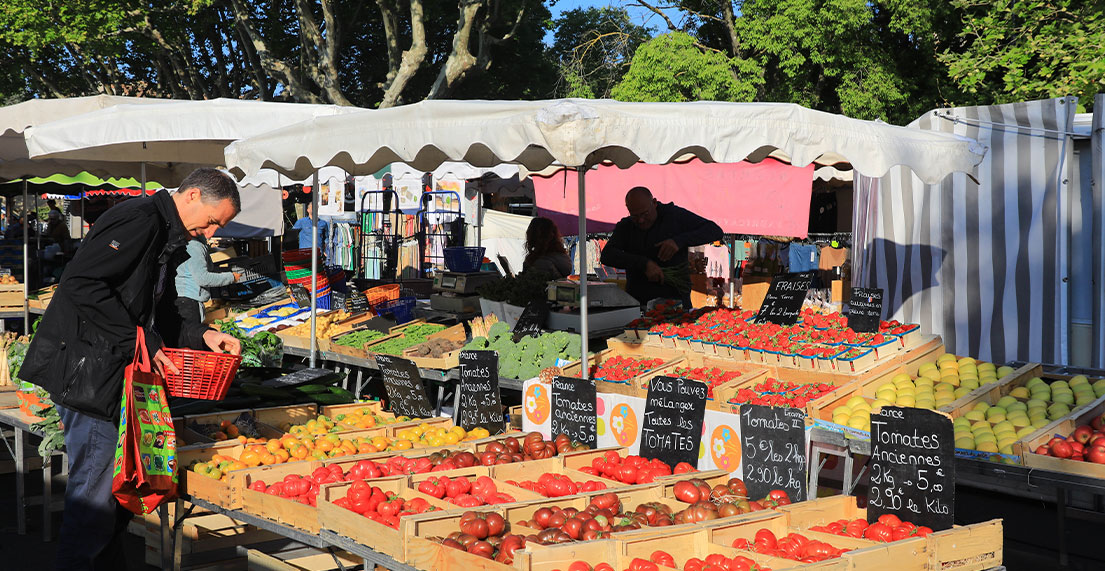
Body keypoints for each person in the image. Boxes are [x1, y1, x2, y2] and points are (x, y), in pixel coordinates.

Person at [18, 167, 243, 571]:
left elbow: (160, 306)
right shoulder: (140, 220)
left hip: (114, 373)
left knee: (114, 501)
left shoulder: (168, 233)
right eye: (213, 222)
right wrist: (141, 338)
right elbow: (82, 285)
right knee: (95, 503)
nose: (211, 234)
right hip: (93, 376)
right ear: (192, 196)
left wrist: (202, 334)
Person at [600, 186, 723, 308]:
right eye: (635, 216)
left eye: (645, 214)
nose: (641, 220)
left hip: (675, 301)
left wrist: (678, 241)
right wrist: (643, 264)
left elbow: (714, 230)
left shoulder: (674, 216)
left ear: (654, 203)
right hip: (638, 302)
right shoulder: (626, 226)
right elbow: (607, 255)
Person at [173, 236, 242, 325]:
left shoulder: (190, 243)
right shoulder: (195, 247)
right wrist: (231, 277)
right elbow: (203, 278)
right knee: (192, 335)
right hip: (189, 302)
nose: (211, 233)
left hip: (186, 299)